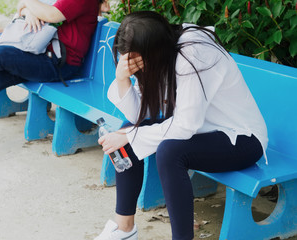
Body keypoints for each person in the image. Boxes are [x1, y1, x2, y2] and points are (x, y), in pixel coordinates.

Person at [95, 11, 268, 240]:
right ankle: (125, 229)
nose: (135, 65)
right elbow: (140, 115)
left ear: (153, 51)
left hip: (241, 138)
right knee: (127, 130)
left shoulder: (194, 54)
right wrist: (123, 78)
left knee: (168, 151)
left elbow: (186, 125)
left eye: (137, 60)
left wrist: (131, 136)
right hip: (203, 130)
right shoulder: (162, 52)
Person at [0, 0, 101, 152]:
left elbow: (50, 14)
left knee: (0, 55)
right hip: (39, 53)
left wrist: (28, 4)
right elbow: (25, 8)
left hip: (60, 65)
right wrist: (28, 10)